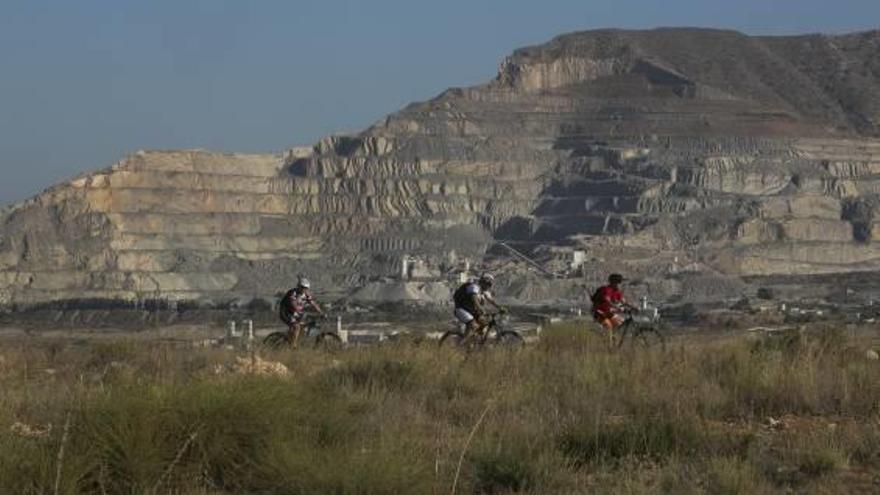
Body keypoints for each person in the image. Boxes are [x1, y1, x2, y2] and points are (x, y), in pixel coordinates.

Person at [453, 273, 503, 341]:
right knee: (473, 325)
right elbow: (474, 298)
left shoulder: (484, 291)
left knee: (484, 323)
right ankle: (461, 344)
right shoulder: (474, 286)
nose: (489, 286)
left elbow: (491, 300)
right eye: (488, 284)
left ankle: (475, 342)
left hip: (471, 310)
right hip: (461, 309)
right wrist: (480, 308)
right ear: (483, 282)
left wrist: (500, 308)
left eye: (490, 285)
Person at [279, 277, 325, 348]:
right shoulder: (293, 293)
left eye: (306, 288)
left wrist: (320, 312)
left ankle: (292, 338)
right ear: (299, 287)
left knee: (303, 327)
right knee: (296, 326)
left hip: (295, 312)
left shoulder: (306, 294)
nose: (304, 290)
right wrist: (302, 313)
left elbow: (313, 304)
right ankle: (293, 345)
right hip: (286, 312)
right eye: (303, 288)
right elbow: (294, 305)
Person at [591, 273, 636, 340]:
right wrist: (617, 307)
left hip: (609, 313)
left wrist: (634, 307)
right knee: (609, 327)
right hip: (600, 313)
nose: (620, 285)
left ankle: (614, 341)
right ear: (614, 283)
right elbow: (607, 301)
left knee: (621, 323)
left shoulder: (617, 292)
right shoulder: (607, 290)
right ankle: (609, 347)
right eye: (619, 282)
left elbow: (624, 301)